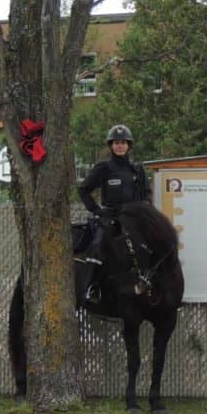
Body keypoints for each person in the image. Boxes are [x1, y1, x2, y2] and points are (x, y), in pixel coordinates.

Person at [78, 124, 152, 305]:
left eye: (123, 143)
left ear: (129, 145)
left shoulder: (137, 169)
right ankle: (92, 287)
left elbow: (146, 194)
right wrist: (96, 210)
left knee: (153, 244)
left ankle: (151, 284)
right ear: (111, 145)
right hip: (110, 218)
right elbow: (84, 190)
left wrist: (145, 209)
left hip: (134, 218)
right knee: (98, 246)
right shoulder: (104, 168)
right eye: (116, 143)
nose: (120, 146)